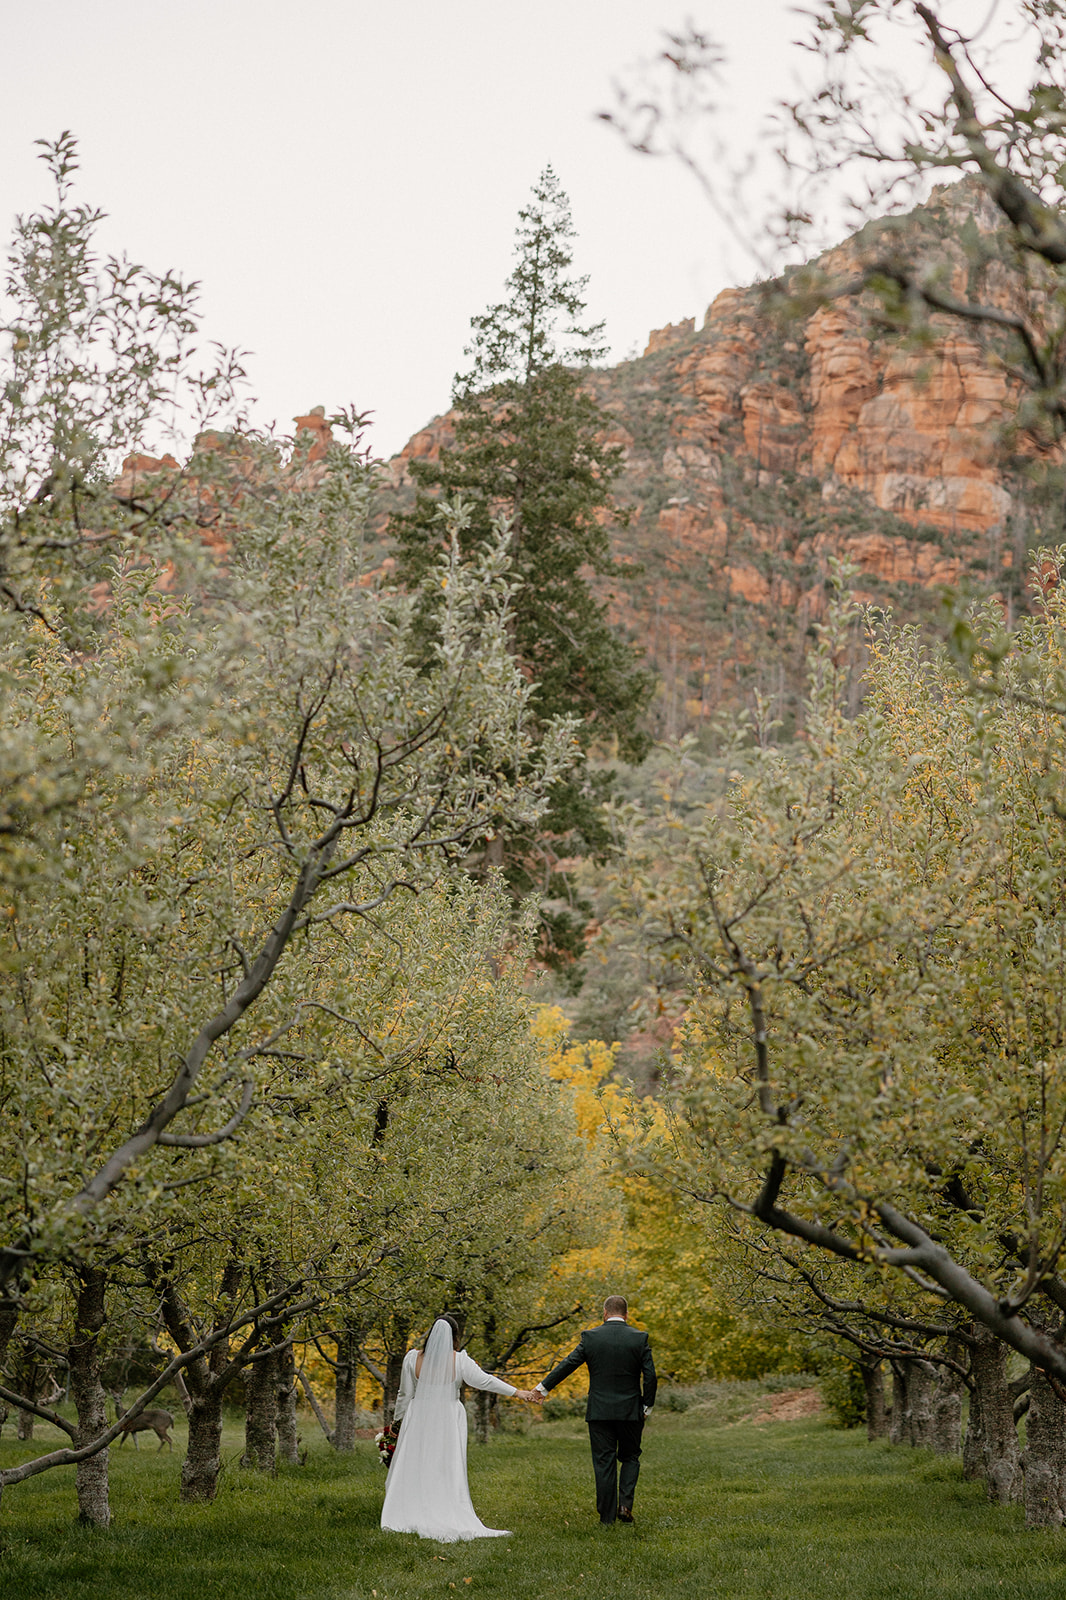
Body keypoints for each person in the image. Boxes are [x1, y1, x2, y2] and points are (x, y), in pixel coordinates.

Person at [381, 1314, 538, 1541]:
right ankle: (442, 1504)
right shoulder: (460, 1360)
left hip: (418, 1417)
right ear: (455, 1337)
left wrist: (397, 1421)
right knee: (444, 1463)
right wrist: (519, 1392)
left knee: (417, 1460)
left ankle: (411, 1506)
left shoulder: (412, 1358)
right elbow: (485, 1380)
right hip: (447, 1417)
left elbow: (404, 1394)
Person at [533, 1295, 656, 1526]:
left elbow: (568, 1364)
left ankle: (606, 1519)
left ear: (605, 1313)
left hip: (599, 1411)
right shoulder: (639, 1338)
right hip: (630, 1411)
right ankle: (625, 1505)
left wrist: (543, 1388)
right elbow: (650, 1375)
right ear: (626, 1314)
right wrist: (646, 1406)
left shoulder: (591, 1337)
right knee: (630, 1457)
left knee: (604, 1461)